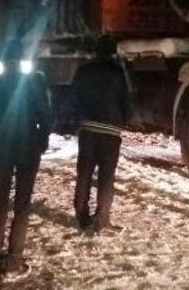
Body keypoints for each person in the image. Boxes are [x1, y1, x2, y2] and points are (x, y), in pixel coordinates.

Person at [0, 40, 52, 277]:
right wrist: (42, 140)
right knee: (22, 204)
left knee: (0, 204)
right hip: (28, 148)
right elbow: (46, 115)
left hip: (1, 149)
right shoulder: (35, 81)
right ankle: (13, 260)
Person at [68, 35, 131, 231]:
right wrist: (124, 119)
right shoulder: (118, 73)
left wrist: (78, 119)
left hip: (87, 129)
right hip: (110, 131)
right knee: (106, 176)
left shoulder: (83, 71)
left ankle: (81, 214)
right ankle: (102, 217)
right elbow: (126, 102)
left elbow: (73, 99)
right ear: (112, 52)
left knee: (84, 173)